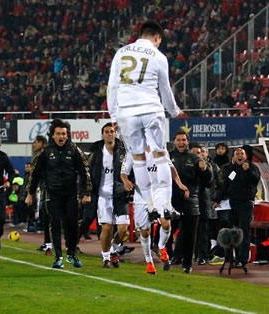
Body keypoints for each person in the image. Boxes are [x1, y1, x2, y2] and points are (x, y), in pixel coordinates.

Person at [107, 20, 181, 223]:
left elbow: (112, 86)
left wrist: (113, 115)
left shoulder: (121, 53)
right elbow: (165, 89)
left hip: (126, 112)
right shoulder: (158, 56)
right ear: (157, 37)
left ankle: (150, 205)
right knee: (160, 154)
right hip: (150, 108)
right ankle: (165, 205)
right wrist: (174, 111)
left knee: (138, 158)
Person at [26, 119, 92, 269]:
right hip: (52, 194)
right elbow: (34, 174)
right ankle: (58, 257)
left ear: (67, 135)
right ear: (53, 135)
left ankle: (71, 253)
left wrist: (86, 192)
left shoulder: (75, 150)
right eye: (58, 134)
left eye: (64, 134)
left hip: (70, 194)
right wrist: (30, 193)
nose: (61, 137)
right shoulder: (45, 152)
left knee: (72, 225)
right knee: (54, 223)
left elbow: (85, 172)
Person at [121, 147, 189, 274]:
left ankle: (161, 246)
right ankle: (149, 261)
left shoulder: (160, 149)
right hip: (141, 195)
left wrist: (179, 183)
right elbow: (124, 171)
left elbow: (171, 167)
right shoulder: (132, 151)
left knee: (166, 223)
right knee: (145, 231)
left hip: (159, 193)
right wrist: (126, 181)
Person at [87, 123, 130, 268]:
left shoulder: (123, 151)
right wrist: (87, 192)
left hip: (120, 195)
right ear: (103, 134)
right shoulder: (97, 153)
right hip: (103, 196)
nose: (110, 134)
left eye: (112, 131)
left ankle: (113, 248)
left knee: (123, 229)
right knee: (106, 228)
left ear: (115, 134)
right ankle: (106, 257)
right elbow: (88, 173)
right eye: (107, 132)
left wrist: (130, 185)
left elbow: (132, 169)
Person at [169, 131, 212, 274]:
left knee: (189, 234)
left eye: (183, 140)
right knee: (166, 229)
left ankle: (187, 264)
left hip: (190, 200)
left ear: (187, 142)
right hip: (171, 199)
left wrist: (204, 169)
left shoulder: (194, 158)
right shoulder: (168, 157)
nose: (181, 143)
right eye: (178, 140)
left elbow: (207, 181)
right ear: (174, 142)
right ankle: (169, 257)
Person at [214, 147, 260, 268]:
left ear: (246, 156)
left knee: (243, 231)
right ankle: (231, 257)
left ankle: (242, 259)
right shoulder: (231, 170)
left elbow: (255, 180)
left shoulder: (252, 167)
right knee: (233, 231)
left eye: (242, 153)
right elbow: (225, 186)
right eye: (237, 154)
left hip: (246, 204)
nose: (240, 155)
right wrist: (217, 199)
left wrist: (248, 171)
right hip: (233, 203)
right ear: (234, 157)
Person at [28, 136, 52, 256]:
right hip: (45, 187)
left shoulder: (42, 155)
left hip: (47, 188)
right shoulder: (44, 154)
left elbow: (35, 174)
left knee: (47, 215)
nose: (33, 144)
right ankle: (48, 243)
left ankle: (49, 244)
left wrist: (30, 192)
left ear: (42, 143)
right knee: (47, 216)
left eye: (35, 142)